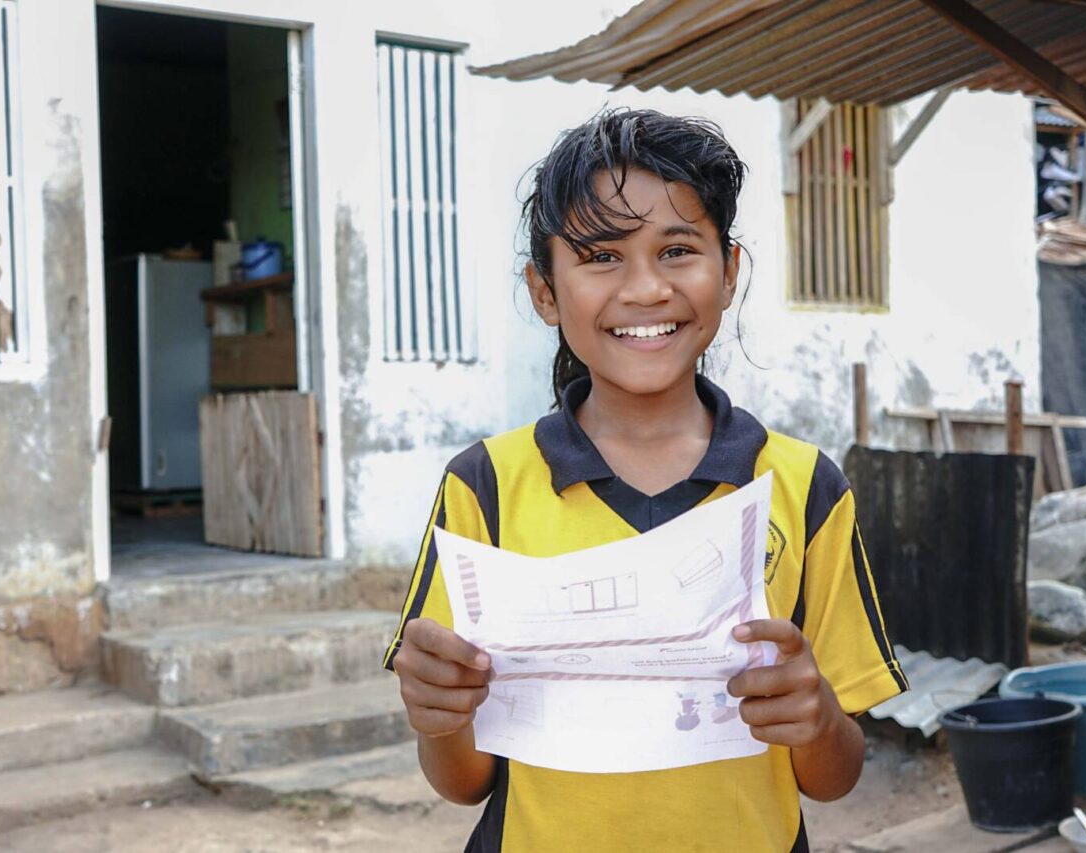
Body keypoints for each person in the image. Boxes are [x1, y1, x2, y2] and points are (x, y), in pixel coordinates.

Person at [382, 108, 907, 853]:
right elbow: (463, 780)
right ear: (545, 291)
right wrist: (437, 715)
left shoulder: (802, 486)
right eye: (600, 256)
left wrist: (818, 716)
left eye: (678, 249)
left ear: (728, 273)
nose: (645, 288)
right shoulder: (486, 486)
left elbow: (833, 774)